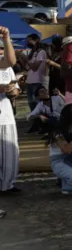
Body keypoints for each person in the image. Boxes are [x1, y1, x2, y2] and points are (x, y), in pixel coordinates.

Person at [0, 26, 19, 197]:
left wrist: (13, 91)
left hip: (5, 113)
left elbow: (11, 62)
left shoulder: (5, 66)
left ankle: (8, 184)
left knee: (9, 152)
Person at [25, 33, 47, 112]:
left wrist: (26, 60)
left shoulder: (41, 52)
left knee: (36, 102)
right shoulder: (33, 52)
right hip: (29, 81)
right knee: (31, 102)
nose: (28, 42)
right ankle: (34, 118)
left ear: (36, 40)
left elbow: (34, 67)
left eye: (30, 40)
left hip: (37, 81)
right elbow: (27, 67)